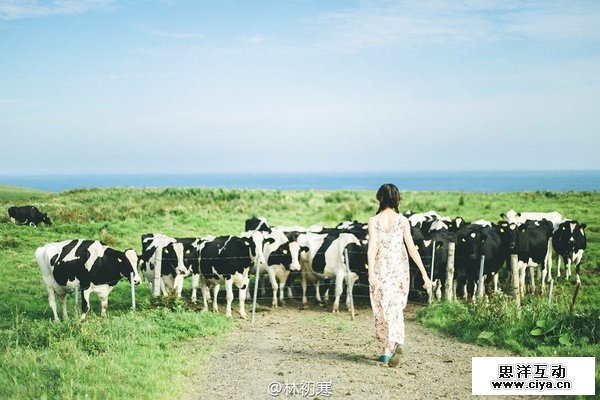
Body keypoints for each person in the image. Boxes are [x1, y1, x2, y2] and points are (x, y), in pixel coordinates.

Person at [367, 183, 432, 368]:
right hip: (399, 270)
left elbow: (372, 248)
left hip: (380, 269)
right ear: (396, 199)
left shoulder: (373, 221)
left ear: (379, 198)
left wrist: (371, 272)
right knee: (395, 308)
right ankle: (397, 340)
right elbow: (412, 249)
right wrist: (424, 274)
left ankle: (385, 352)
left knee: (381, 309)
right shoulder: (403, 221)